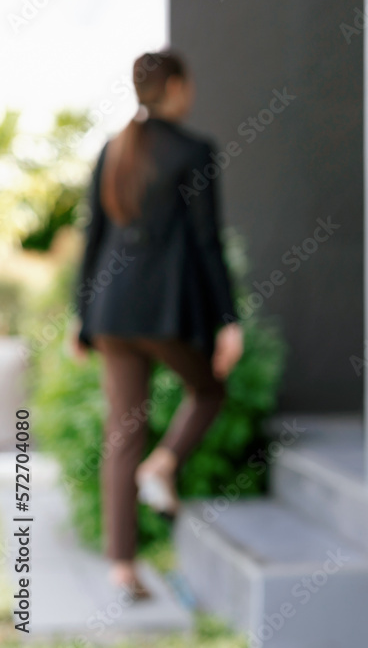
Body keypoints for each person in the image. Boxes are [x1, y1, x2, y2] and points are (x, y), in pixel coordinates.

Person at [72, 51, 243, 599]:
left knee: (122, 434)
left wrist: (82, 320)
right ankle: (163, 464)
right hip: (163, 311)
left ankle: (122, 566)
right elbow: (206, 242)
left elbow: (92, 239)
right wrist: (228, 320)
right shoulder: (195, 152)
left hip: (110, 314)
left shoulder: (113, 148)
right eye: (187, 81)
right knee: (209, 390)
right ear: (173, 86)